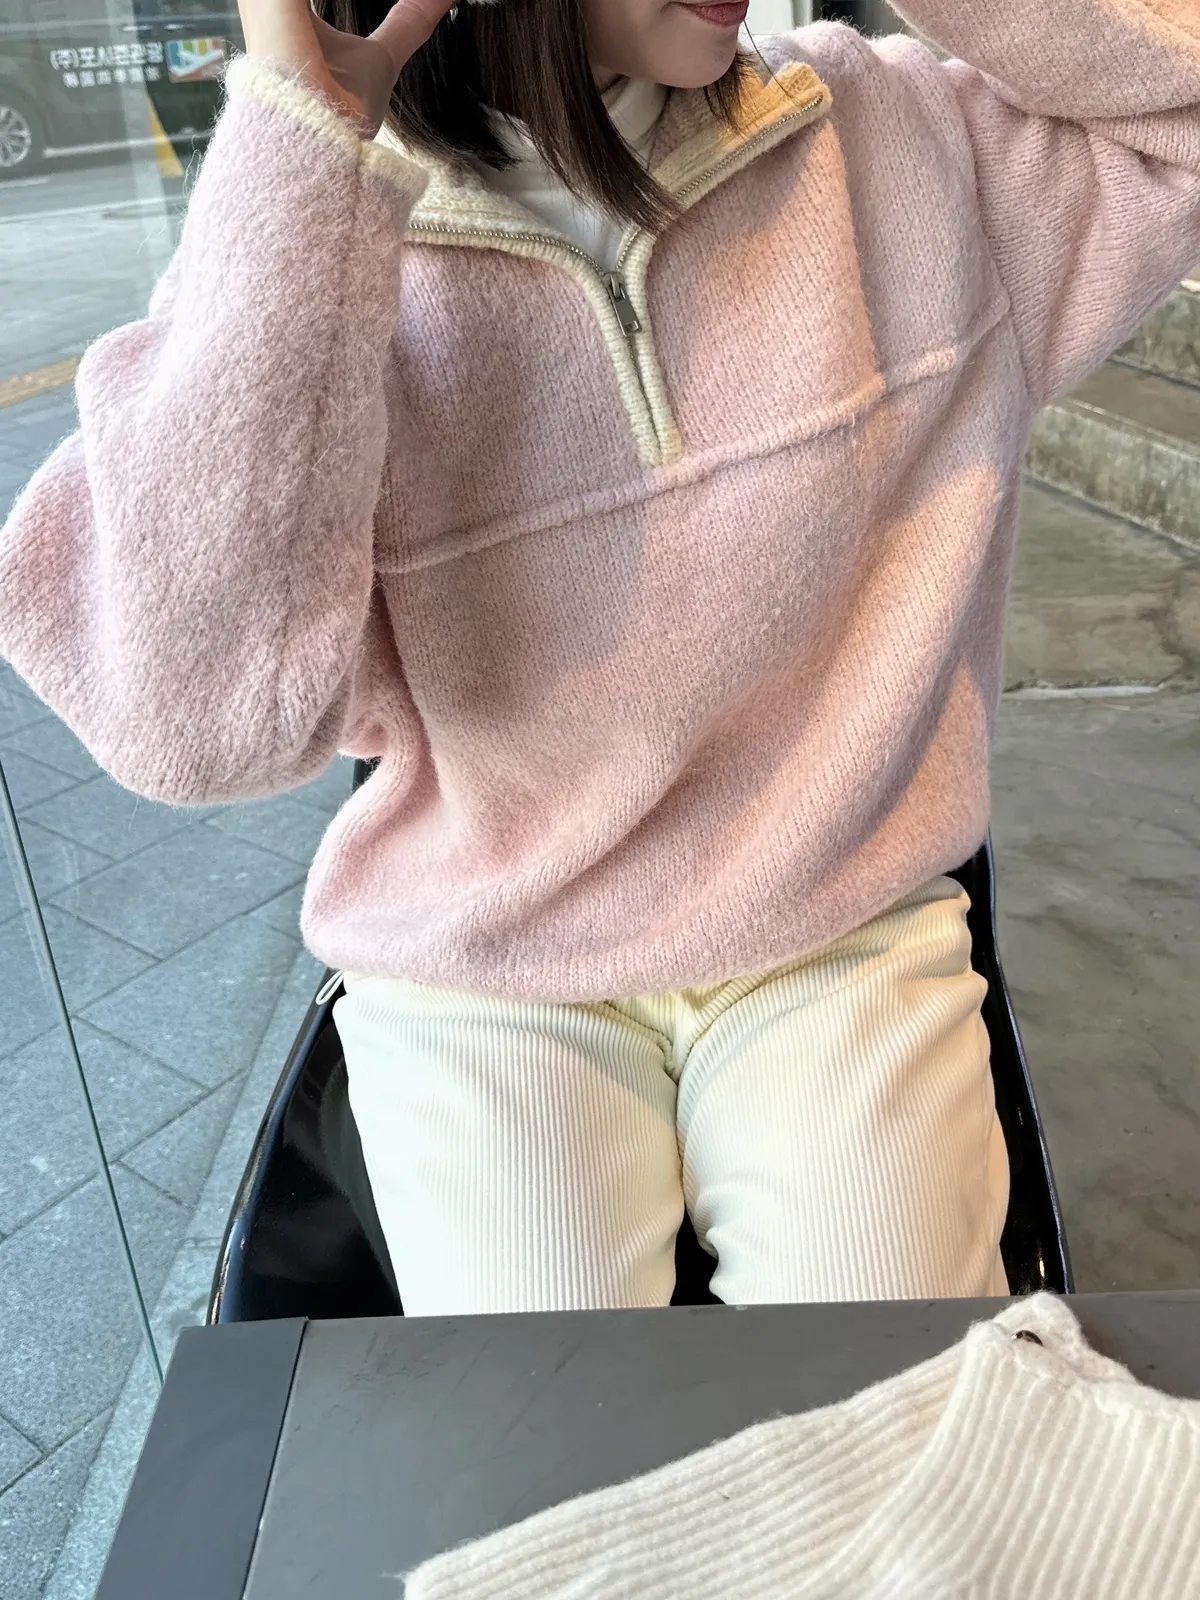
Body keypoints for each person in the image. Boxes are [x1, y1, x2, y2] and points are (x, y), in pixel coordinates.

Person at [0, 0, 1196, 1316]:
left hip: (835, 920)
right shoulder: (317, 238)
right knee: (544, 1415)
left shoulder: (890, 141)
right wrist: (300, 169)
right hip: (484, 958)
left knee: (892, 1403)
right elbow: (195, 730)